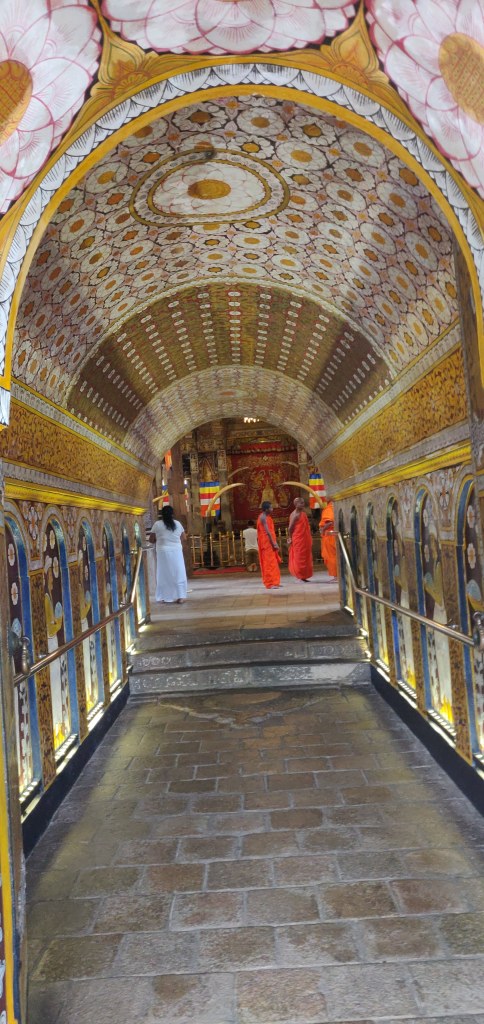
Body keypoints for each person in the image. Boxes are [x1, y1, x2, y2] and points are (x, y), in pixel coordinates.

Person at [149, 505, 188, 604]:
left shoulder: (157, 524)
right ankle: (181, 596)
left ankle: (163, 596)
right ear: (172, 514)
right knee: (178, 572)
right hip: (176, 551)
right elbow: (184, 538)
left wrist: (161, 538)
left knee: (163, 573)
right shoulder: (178, 524)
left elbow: (151, 540)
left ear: (161, 514)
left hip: (163, 552)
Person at [257, 500, 281, 589]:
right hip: (266, 543)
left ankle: (275, 581)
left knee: (273, 563)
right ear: (266, 509)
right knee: (268, 563)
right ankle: (270, 583)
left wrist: (274, 542)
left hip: (270, 542)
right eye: (271, 507)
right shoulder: (263, 517)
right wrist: (274, 544)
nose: (272, 509)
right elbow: (267, 532)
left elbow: (271, 531)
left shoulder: (268, 517)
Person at [287, 497, 313, 581]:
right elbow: (290, 528)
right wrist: (290, 537)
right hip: (298, 539)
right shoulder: (295, 515)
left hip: (305, 538)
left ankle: (303, 576)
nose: (303, 504)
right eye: (301, 503)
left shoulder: (303, 514)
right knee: (299, 557)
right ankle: (299, 575)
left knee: (305, 557)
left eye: (303, 503)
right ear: (296, 504)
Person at [320, 500, 338, 580]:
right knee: (335, 555)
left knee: (331, 556)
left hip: (330, 536)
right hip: (334, 535)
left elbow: (329, 522)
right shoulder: (335, 507)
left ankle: (336, 576)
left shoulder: (329, 508)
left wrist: (323, 530)